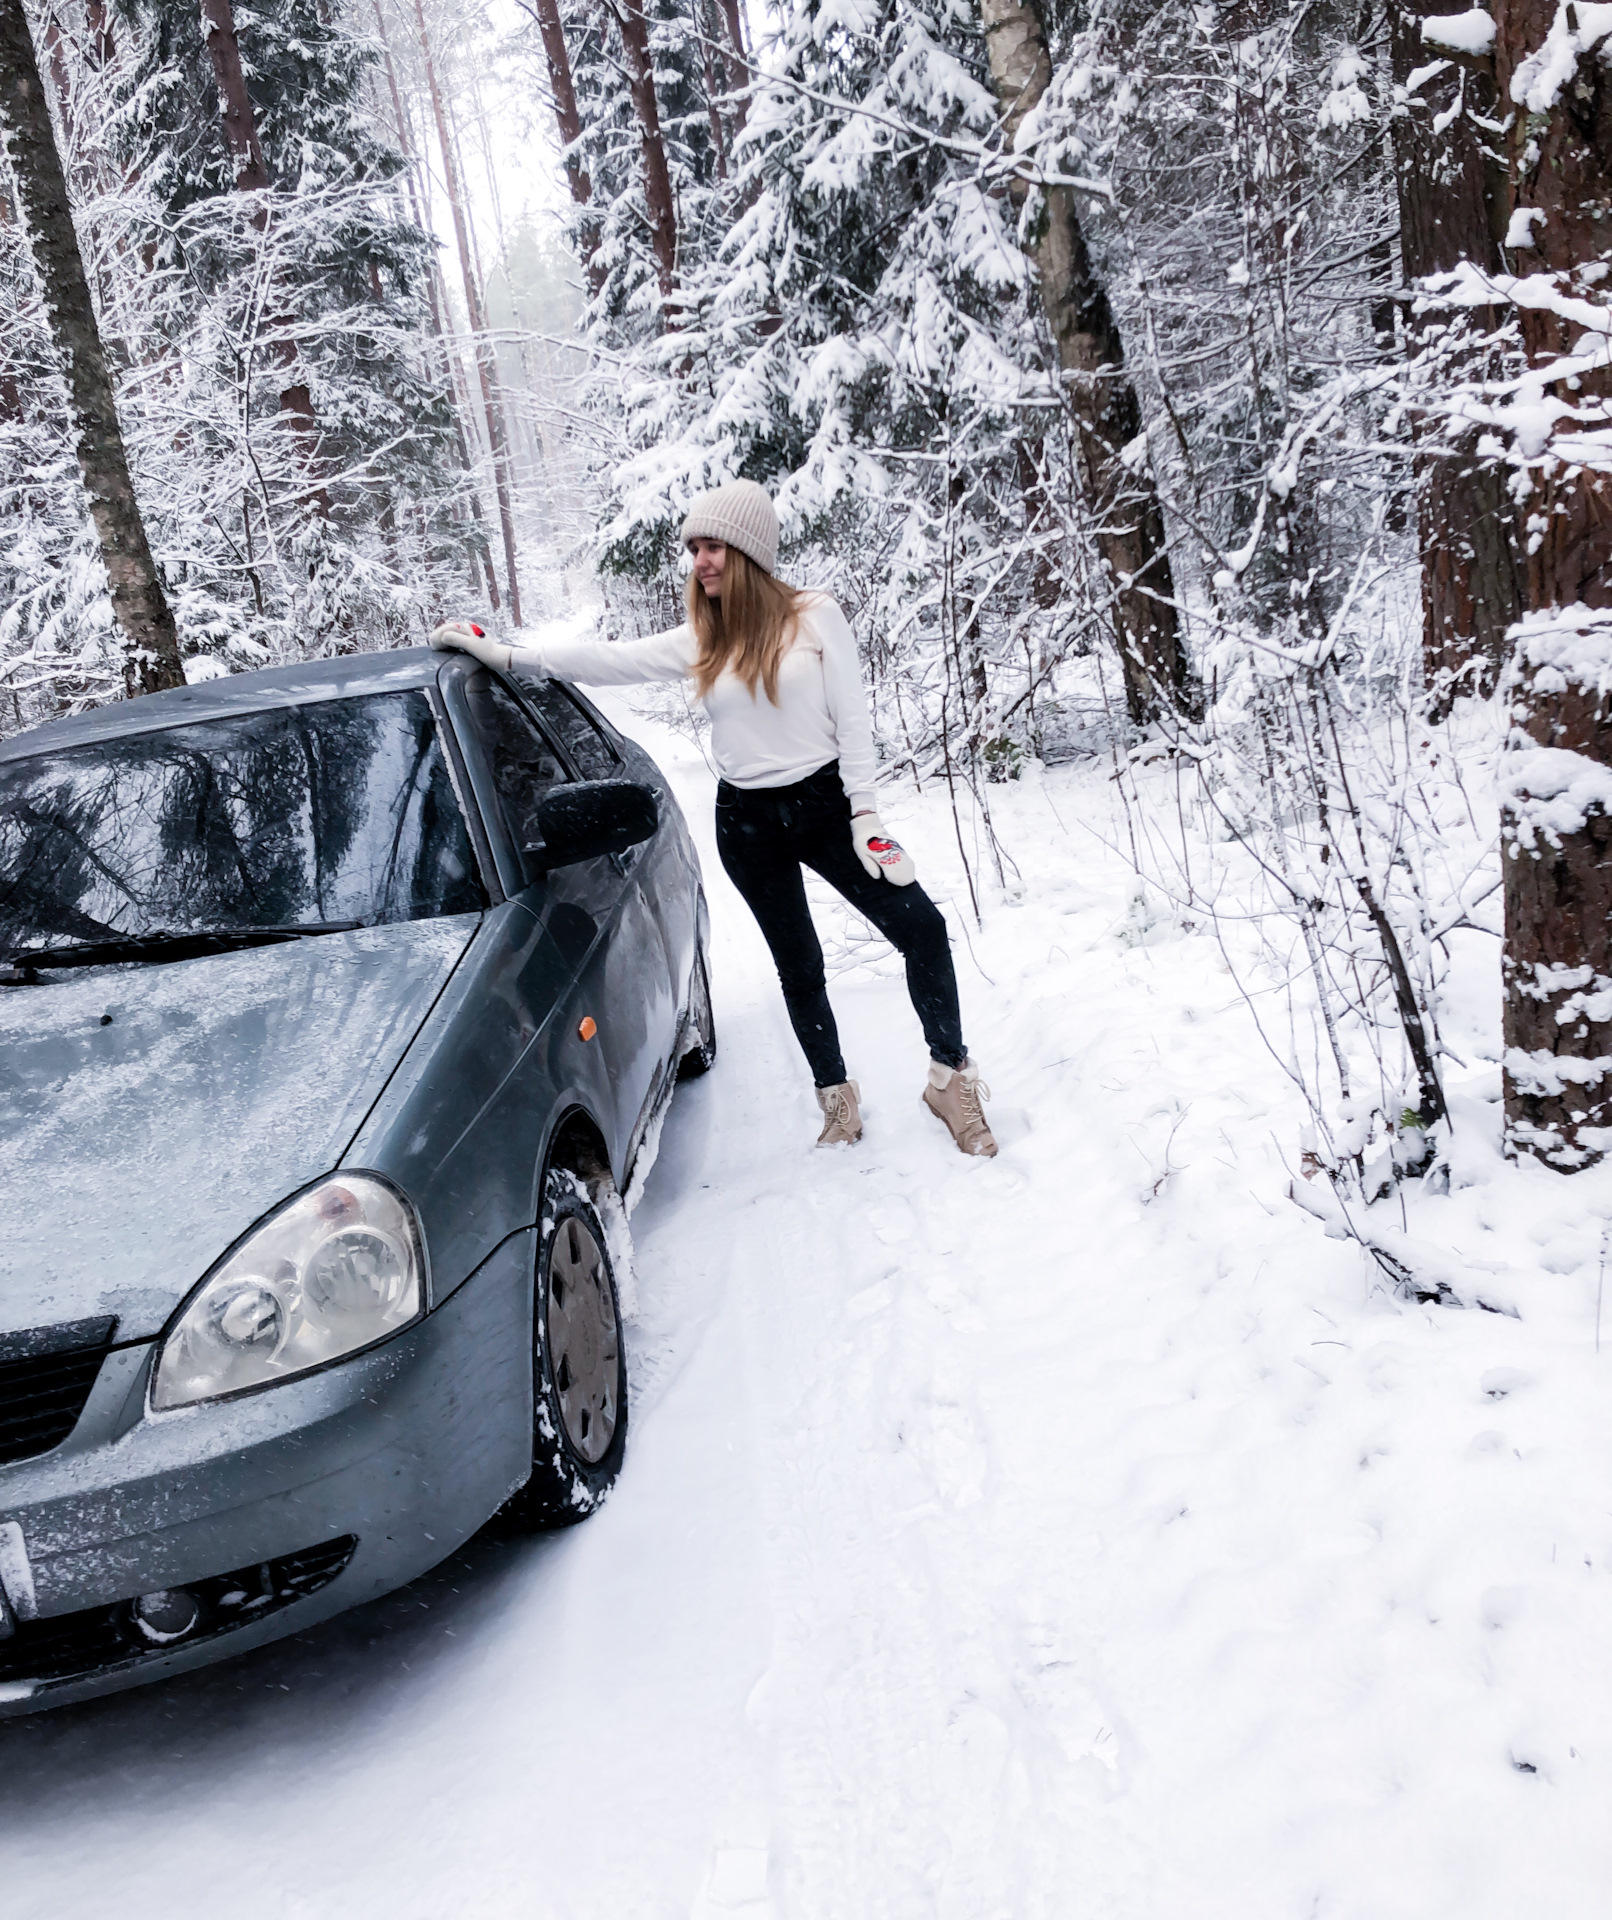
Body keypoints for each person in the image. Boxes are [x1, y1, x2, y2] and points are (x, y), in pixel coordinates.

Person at [430, 479, 996, 1158]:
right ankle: (836, 1102)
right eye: (694, 548)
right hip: (748, 824)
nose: (700, 560)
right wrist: (509, 656)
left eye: (714, 546)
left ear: (750, 550)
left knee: (923, 929)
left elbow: (855, 722)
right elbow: (610, 660)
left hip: (825, 806)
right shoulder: (704, 636)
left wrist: (865, 813)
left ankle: (948, 1077)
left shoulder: (816, 616)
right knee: (800, 965)